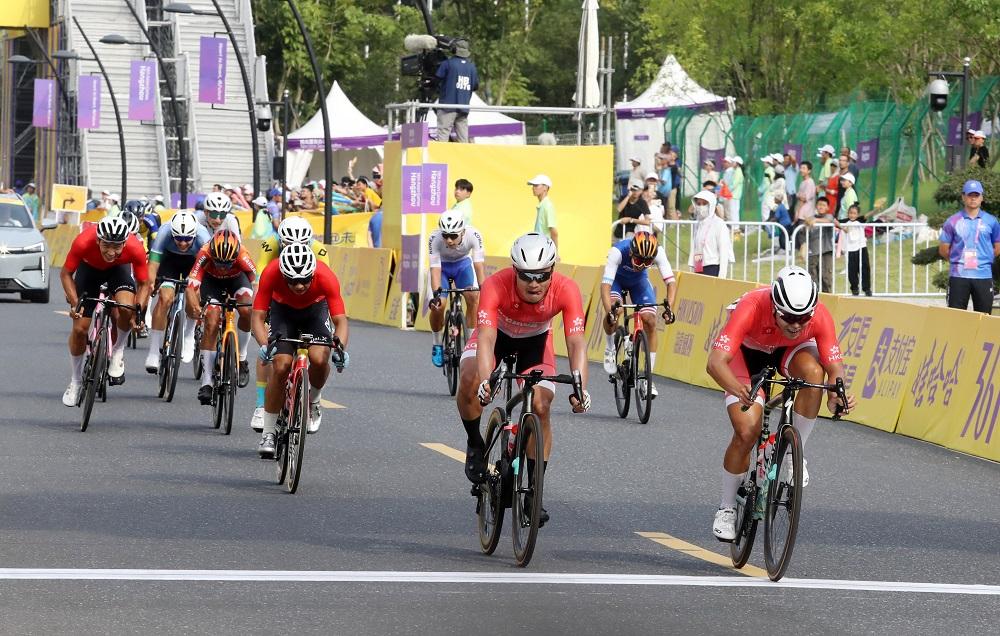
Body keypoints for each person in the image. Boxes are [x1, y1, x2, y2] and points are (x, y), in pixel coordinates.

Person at [706, 266, 856, 541]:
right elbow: (715, 362)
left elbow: (834, 367)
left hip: (788, 351)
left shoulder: (820, 315)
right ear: (775, 306)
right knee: (747, 431)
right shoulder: (752, 306)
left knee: (814, 374)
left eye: (803, 318)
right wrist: (738, 389)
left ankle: (791, 454)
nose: (796, 325)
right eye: (788, 317)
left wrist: (836, 394)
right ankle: (727, 507)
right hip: (747, 354)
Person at [456, 233, 590, 525]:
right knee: (468, 379)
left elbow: (576, 341)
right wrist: (486, 380)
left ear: (552, 270)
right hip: (497, 336)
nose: (534, 283)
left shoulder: (567, 289)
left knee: (541, 406)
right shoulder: (495, 285)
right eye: (526, 275)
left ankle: (533, 493)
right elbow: (486, 338)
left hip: (535, 343)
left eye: (542, 276)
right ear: (514, 270)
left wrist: (580, 388)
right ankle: (475, 442)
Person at [252, 244, 349, 456]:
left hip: (315, 312)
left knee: (319, 358)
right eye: (292, 281)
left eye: (305, 280)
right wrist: (264, 345)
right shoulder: (271, 272)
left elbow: (340, 321)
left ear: (312, 274)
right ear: (283, 274)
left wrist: (340, 349)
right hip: (283, 313)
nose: (299, 286)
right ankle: (268, 433)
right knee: (281, 366)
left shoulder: (325, 276)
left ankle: (314, 400)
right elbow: (257, 317)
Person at [249, 216, 330, 432]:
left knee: (318, 352)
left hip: (310, 303)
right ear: (280, 241)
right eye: (288, 244)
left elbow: (324, 286)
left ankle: (311, 399)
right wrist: (262, 321)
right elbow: (259, 282)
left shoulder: (319, 250)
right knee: (269, 345)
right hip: (277, 297)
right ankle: (261, 405)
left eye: (302, 244)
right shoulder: (270, 246)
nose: (295, 247)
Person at [60, 216, 151, 405]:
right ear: (98, 240)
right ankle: (75, 382)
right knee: (79, 330)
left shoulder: (135, 248)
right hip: (89, 271)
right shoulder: (83, 241)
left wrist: (139, 313)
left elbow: (144, 284)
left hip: (118, 271)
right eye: (106, 245)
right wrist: (75, 303)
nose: (111, 252)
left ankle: (117, 352)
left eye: (117, 247)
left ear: (124, 243)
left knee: (126, 308)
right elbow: (66, 274)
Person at [600, 231, 677, 398]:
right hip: (616, 282)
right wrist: (609, 312)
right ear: (631, 253)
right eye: (638, 260)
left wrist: (669, 308)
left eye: (647, 262)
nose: (641, 266)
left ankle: (648, 378)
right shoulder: (617, 252)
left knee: (650, 321)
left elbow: (671, 283)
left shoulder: (658, 252)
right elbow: (605, 286)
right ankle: (610, 348)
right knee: (616, 311)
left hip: (639, 283)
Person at [185, 230, 256, 405]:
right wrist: (195, 306)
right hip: (212, 282)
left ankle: (242, 358)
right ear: (212, 255)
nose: (223, 267)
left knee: (247, 311)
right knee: (211, 321)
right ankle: (207, 382)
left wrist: (257, 309)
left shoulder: (243, 255)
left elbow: (256, 284)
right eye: (218, 262)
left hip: (237, 280)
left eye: (228, 263)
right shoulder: (204, 253)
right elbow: (191, 287)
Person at [141, 210, 212, 373]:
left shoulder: (203, 237)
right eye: (178, 238)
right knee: (165, 299)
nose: (183, 243)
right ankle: (153, 351)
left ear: (194, 235)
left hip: (193, 263)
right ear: (172, 234)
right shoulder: (164, 232)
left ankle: (188, 335)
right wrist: (151, 283)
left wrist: (199, 288)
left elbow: (208, 271)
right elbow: (153, 266)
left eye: (187, 239)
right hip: (169, 261)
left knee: (194, 295)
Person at [428, 211, 486, 367]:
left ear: (463, 232)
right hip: (442, 268)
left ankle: (471, 343)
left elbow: (478, 265)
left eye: (453, 236)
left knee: (473, 297)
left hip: (462, 266)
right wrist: (436, 295)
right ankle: (437, 344)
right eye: (445, 235)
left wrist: (483, 288)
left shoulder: (474, 235)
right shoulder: (434, 238)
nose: (449, 240)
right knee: (439, 305)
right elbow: (435, 268)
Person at [939, 179, 1000, 314]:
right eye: (970, 195)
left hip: (983, 275)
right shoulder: (952, 221)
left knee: (984, 317)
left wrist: (984, 259)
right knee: (956, 317)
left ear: (982, 197)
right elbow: (943, 250)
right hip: (959, 276)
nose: (973, 198)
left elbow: (997, 247)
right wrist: (958, 261)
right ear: (963, 197)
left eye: (976, 195)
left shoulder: (991, 221)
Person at [435, 38, 479, 143]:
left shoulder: (447, 64)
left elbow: (436, 80)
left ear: (454, 50)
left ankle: (442, 154)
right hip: (463, 108)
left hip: (447, 107)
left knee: (443, 136)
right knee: (463, 140)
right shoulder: (472, 67)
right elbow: (475, 86)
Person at [689, 191, 733, 278]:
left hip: (713, 267)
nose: (701, 207)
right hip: (699, 264)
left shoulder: (719, 224)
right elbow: (697, 247)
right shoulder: (698, 224)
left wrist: (722, 275)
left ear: (711, 205)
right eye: (698, 204)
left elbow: (723, 251)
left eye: (704, 203)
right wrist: (696, 268)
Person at [806, 197, 836, 293]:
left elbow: (829, 221)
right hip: (813, 251)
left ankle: (827, 296)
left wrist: (815, 220)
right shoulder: (811, 218)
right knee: (813, 275)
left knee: (826, 276)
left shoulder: (829, 216)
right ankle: (814, 296)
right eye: (819, 205)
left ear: (827, 207)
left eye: (823, 205)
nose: (821, 207)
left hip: (826, 251)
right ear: (816, 206)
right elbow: (805, 228)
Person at [842, 204, 872, 296]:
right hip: (850, 249)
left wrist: (876, 209)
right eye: (850, 213)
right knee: (852, 270)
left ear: (858, 214)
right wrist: (842, 228)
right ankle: (854, 288)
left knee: (865, 268)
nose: (852, 215)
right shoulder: (845, 222)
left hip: (861, 247)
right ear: (848, 213)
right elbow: (835, 221)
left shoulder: (860, 221)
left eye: (854, 213)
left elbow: (868, 215)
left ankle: (867, 289)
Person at [528, 174, 558, 250]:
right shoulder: (543, 205)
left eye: (536, 185)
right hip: (540, 249)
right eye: (533, 185)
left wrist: (555, 252)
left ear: (545, 187)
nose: (533, 188)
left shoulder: (547, 206)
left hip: (544, 250)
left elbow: (554, 232)